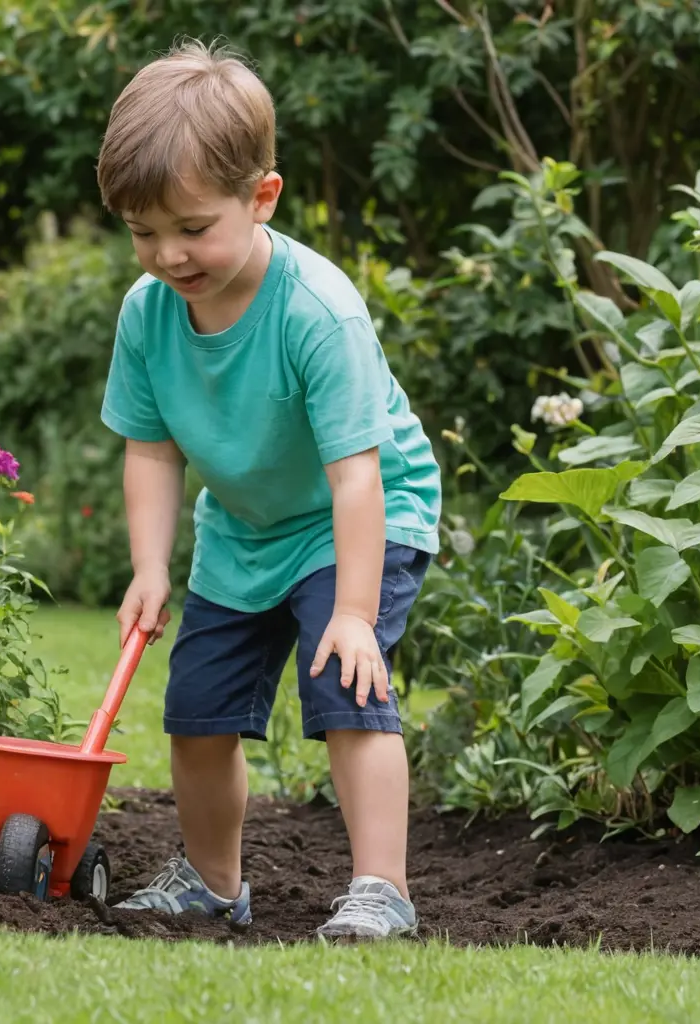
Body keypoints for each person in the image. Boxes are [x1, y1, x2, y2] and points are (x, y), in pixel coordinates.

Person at [95, 38, 441, 941]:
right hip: (245, 530)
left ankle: (383, 890)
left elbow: (355, 473)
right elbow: (152, 451)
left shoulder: (317, 312)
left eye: (191, 227)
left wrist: (354, 613)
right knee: (197, 710)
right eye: (142, 231)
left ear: (262, 197)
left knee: (346, 685)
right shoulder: (147, 315)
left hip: (358, 515)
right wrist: (149, 567)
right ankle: (214, 884)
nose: (168, 254)